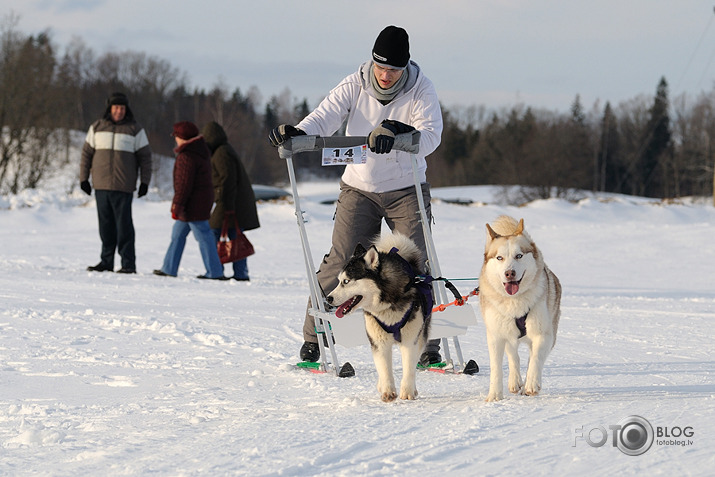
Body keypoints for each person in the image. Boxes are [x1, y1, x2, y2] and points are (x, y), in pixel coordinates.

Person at [268, 25, 444, 365]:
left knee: (417, 261)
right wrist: (298, 132)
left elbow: (431, 136)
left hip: (406, 186)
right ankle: (314, 340)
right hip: (359, 188)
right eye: (381, 67)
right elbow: (325, 116)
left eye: (393, 70)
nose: (385, 75)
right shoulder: (356, 82)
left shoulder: (422, 88)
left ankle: (428, 347)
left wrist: (397, 130)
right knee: (340, 259)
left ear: (404, 67)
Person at [80, 92, 152, 274]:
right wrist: (83, 179)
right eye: (116, 107)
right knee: (105, 226)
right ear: (110, 109)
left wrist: (144, 182)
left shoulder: (135, 130)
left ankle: (128, 264)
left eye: (122, 108)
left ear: (126, 109)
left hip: (123, 186)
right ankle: (106, 262)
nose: (119, 111)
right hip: (101, 185)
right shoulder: (97, 127)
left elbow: (145, 158)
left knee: (124, 226)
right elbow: (86, 155)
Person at [153, 121, 225, 280]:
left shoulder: (187, 156)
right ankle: (169, 268)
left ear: (182, 138)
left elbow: (184, 185)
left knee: (204, 237)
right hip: (197, 203)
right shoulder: (200, 150)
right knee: (177, 235)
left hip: (193, 205)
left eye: (176, 136)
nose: (175, 139)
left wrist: (177, 205)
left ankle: (215, 272)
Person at [201, 121, 260, 281]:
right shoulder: (224, 150)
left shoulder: (221, 153)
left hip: (230, 203)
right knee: (235, 236)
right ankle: (240, 273)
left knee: (213, 232)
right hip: (235, 203)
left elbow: (227, 179)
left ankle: (216, 271)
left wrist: (224, 202)